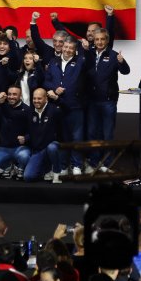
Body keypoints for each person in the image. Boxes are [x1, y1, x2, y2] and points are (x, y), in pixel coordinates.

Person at [85, 27, 129, 172]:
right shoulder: (89, 53)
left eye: (102, 39)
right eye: (97, 39)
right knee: (93, 133)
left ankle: (107, 164)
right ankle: (94, 163)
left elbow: (126, 71)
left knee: (107, 134)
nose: (99, 42)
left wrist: (122, 62)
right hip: (92, 101)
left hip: (108, 101)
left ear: (107, 40)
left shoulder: (114, 55)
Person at [43, 36, 87, 175]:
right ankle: (63, 165)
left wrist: (85, 49)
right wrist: (54, 88)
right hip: (58, 106)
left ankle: (77, 165)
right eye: (66, 47)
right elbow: (46, 81)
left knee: (77, 137)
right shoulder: (53, 61)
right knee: (62, 137)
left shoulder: (81, 61)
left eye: (71, 48)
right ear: (62, 47)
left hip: (75, 106)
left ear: (75, 50)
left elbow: (89, 65)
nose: (67, 50)